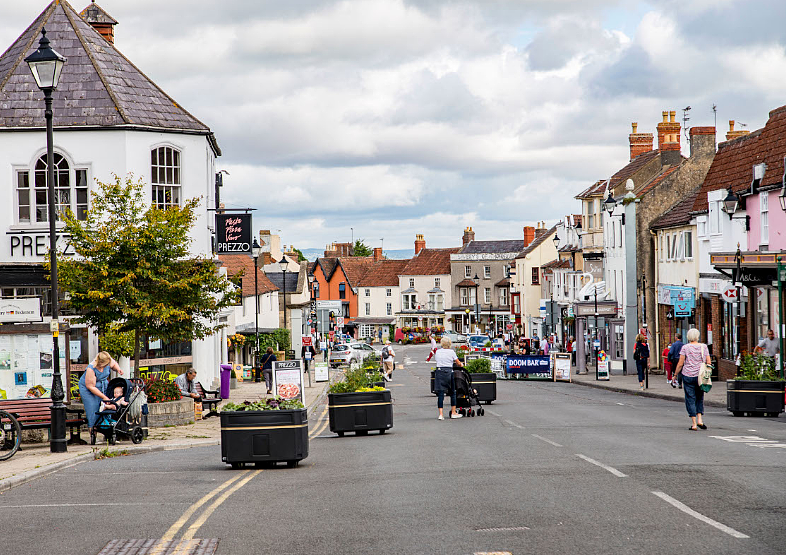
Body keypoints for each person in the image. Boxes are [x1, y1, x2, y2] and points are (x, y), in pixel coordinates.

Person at [674, 328, 711, 431]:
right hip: (700, 376)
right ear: (697, 336)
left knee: (690, 398)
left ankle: (694, 423)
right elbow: (709, 362)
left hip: (688, 376)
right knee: (699, 397)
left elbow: (680, 363)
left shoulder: (685, 348)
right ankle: (700, 419)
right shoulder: (704, 347)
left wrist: (675, 374)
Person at [78, 351, 124, 432]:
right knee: (93, 409)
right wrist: (104, 397)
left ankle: (107, 432)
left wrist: (118, 369)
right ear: (100, 362)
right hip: (88, 389)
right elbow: (90, 386)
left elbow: (114, 364)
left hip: (103, 386)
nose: (107, 366)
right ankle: (93, 433)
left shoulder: (108, 360)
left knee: (106, 407)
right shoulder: (91, 368)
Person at [434, 337, 464, 420]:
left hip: (439, 372)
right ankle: (453, 412)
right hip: (448, 372)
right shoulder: (451, 352)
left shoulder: (438, 352)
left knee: (440, 394)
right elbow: (457, 362)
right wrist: (461, 365)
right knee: (452, 392)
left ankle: (441, 414)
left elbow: (437, 360)